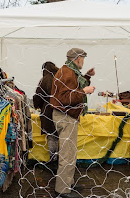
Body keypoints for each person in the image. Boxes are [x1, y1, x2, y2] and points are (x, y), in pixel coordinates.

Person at [50, 48, 95, 198]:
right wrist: (85, 92)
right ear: (77, 59)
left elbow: (74, 88)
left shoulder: (69, 70)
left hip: (66, 116)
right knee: (67, 155)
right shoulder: (68, 73)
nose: (83, 61)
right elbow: (65, 98)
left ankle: (67, 183)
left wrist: (87, 76)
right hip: (66, 116)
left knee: (70, 153)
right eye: (83, 58)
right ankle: (62, 190)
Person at [33, 62, 59, 168]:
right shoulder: (60, 78)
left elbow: (38, 96)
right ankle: (61, 162)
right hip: (60, 111)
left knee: (52, 137)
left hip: (48, 111)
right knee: (60, 137)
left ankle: (53, 161)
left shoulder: (45, 80)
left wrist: (37, 106)